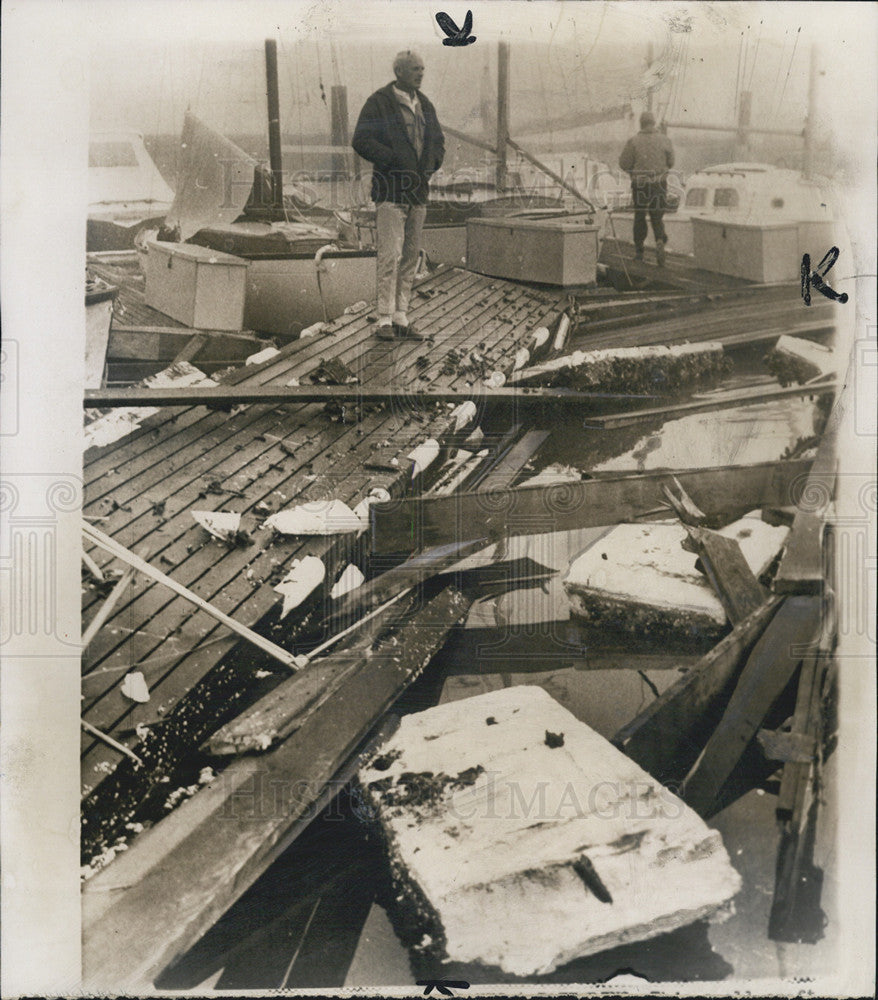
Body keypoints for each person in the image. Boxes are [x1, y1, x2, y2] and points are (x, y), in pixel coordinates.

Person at [352, 50, 445, 340]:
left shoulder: (425, 105)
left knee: (410, 256)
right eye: (415, 69)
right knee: (389, 256)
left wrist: (430, 166)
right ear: (399, 72)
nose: (420, 73)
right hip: (391, 192)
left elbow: (438, 143)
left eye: (422, 69)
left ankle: (401, 316)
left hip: (417, 193)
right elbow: (361, 140)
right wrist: (391, 159)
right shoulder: (379, 102)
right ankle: (383, 319)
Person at [619, 111, 675, 266]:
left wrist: (633, 171)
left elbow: (623, 163)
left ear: (641, 123)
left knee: (640, 216)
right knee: (657, 217)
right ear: (654, 123)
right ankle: (659, 240)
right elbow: (671, 162)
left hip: (640, 184)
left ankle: (639, 252)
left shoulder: (633, 141)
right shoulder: (665, 140)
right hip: (659, 184)